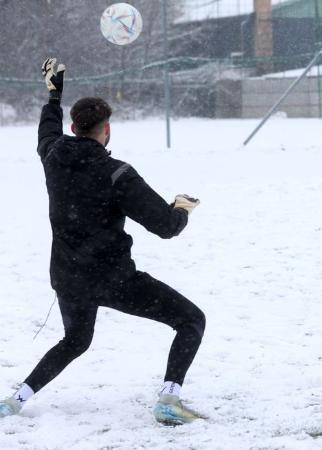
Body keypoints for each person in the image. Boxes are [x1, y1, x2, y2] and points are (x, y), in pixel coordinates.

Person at [0, 58, 206, 425]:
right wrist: (182, 209)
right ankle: (169, 400)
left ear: (73, 127)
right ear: (106, 130)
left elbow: (46, 130)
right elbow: (165, 227)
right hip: (115, 282)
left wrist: (53, 95)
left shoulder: (53, 155)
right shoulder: (117, 173)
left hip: (67, 279)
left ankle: (14, 400)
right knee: (191, 320)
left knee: (75, 341)